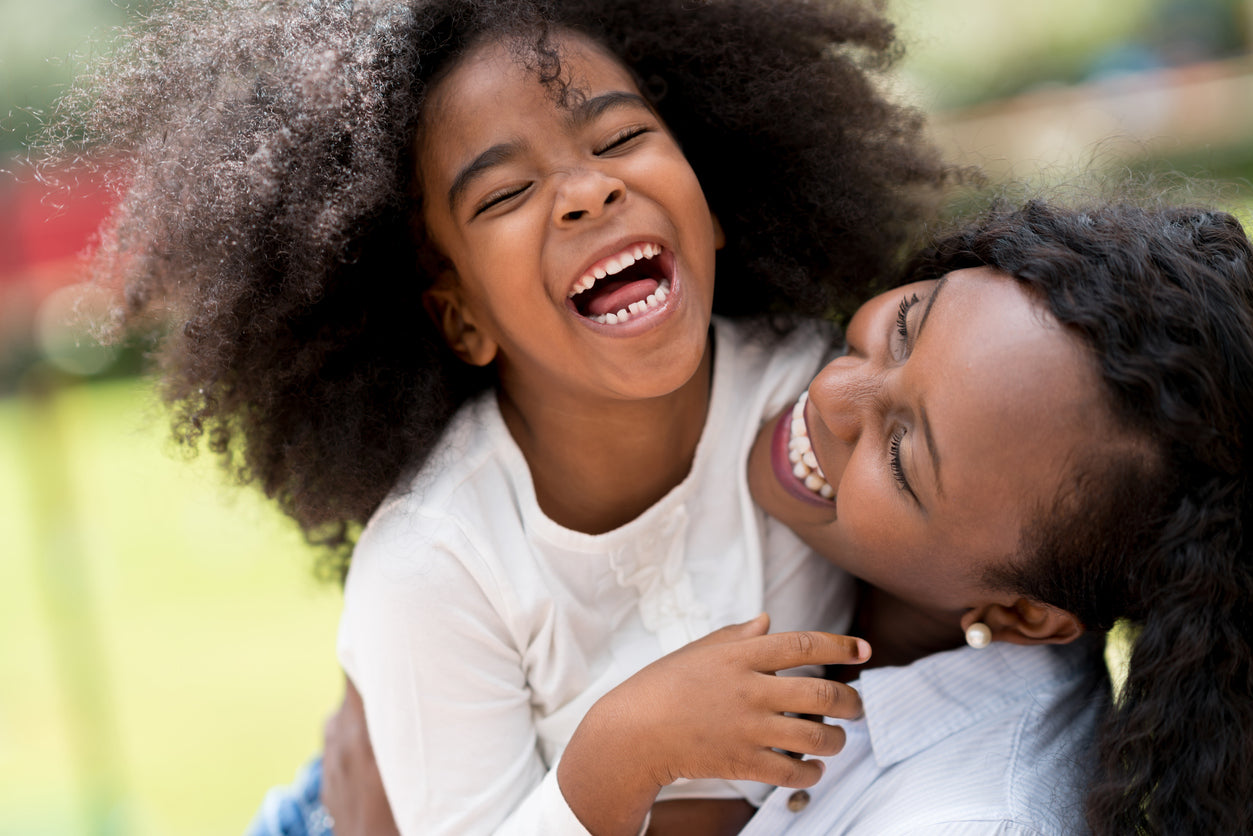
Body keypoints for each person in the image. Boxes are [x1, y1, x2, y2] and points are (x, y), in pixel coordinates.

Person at [43, 1, 949, 834]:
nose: (587, 190)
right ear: (461, 316)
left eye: (623, 135)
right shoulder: (437, 565)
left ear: (708, 207)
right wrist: (620, 754)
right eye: (503, 194)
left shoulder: (808, 396)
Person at [320, 197, 1253, 836]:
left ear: (1022, 616)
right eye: (907, 323)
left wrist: (616, 755)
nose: (835, 389)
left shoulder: (965, 817)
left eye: (900, 452)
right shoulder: (880, 544)